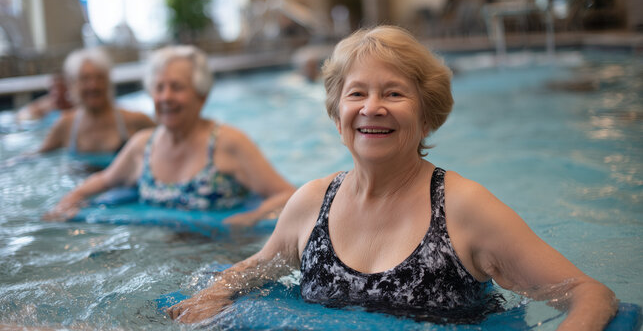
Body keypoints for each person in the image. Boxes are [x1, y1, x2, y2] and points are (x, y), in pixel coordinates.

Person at [167, 26, 617, 329]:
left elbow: (587, 292)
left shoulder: (465, 209)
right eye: (357, 93)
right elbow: (252, 270)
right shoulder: (310, 204)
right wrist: (213, 297)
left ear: (426, 115)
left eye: (394, 93)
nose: (371, 107)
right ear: (337, 113)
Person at [43, 45, 295, 227]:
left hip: (218, 257)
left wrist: (251, 218)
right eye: (159, 88)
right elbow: (104, 180)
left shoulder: (228, 143)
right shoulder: (143, 145)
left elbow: (287, 195)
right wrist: (70, 200)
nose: (165, 97)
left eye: (177, 87)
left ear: (201, 95)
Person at [37, 48, 155, 157]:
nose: (93, 85)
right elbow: (36, 157)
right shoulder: (65, 125)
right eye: (85, 79)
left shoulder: (135, 120)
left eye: (99, 78)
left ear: (108, 81)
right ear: (72, 84)